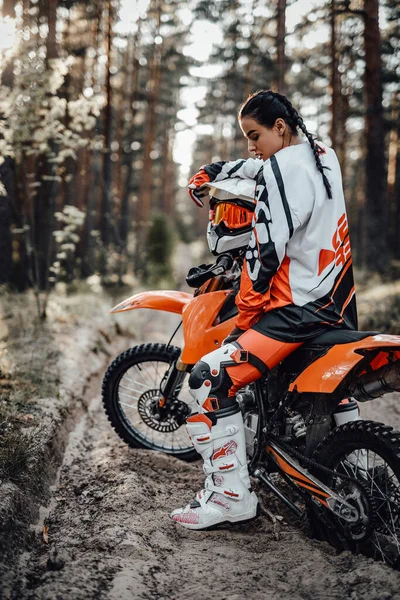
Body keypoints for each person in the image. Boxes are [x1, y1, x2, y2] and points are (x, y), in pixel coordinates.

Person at [170, 89, 358, 530]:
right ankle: (360, 472)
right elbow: (259, 167)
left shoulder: (280, 170)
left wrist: (248, 314)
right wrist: (214, 172)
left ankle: (231, 497)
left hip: (296, 310)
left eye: (254, 135)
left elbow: (263, 253)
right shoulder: (322, 154)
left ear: (279, 127)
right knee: (331, 387)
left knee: (209, 377)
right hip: (339, 303)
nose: (250, 146)